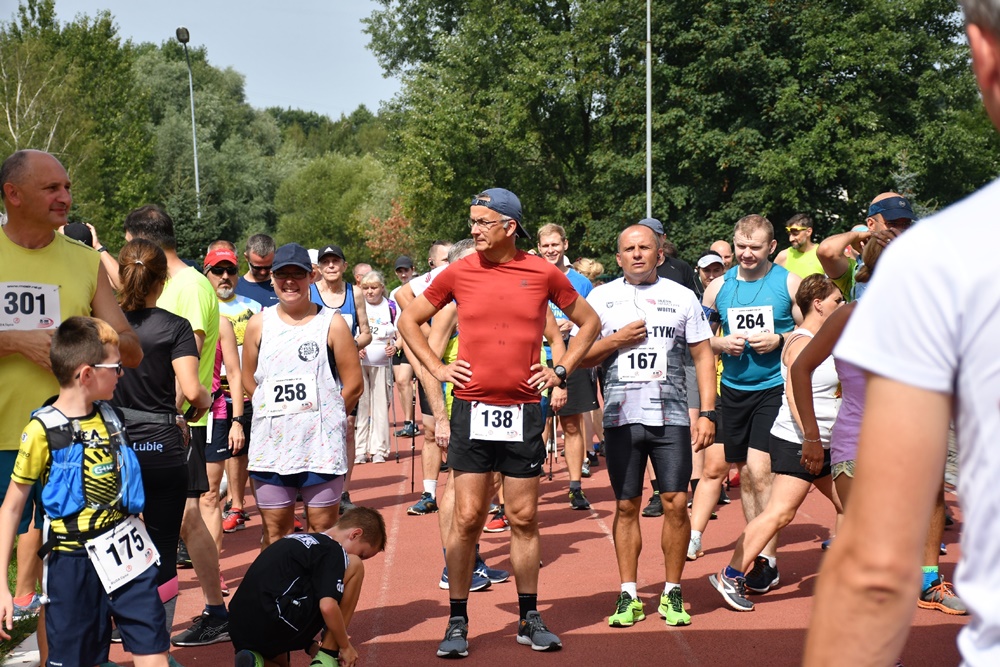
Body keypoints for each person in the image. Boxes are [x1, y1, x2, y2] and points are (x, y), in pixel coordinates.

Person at [806, 3, 997, 661]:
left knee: (924, 501)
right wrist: (867, 232)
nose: (901, 233)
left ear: (983, 53)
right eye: (894, 226)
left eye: (906, 226)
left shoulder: (948, 255)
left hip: (912, 402)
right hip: (872, 408)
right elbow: (828, 254)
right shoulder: (878, 270)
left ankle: (926, 574)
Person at [398, 188, 600, 658]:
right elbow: (409, 320)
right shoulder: (459, 271)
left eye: (483, 222)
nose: (474, 230)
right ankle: (457, 619)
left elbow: (589, 323)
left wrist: (561, 369)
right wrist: (437, 367)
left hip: (523, 410)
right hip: (472, 408)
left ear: (510, 226)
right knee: (468, 516)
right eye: (472, 221)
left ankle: (529, 617)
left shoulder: (543, 272)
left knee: (524, 517)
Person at [0, 149, 142, 661]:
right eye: (51, 188)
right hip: (3, 438)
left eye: (67, 187)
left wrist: (82, 345)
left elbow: (130, 347)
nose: (65, 197)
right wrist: (14, 341)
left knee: (55, 578)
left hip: (69, 444)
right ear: (13, 194)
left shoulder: (84, 261)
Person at [0, 317, 167, 666]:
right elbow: (12, 507)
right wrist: (2, 583)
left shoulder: (113, 417)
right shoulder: (42, 430)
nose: (121, 374)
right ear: (87, 374)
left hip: (126, 554)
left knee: (152, 648)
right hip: (72, 562)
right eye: (115, 367)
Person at [578, 224, 716, 628]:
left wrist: (708, 413)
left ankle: (672, 591)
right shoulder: (600, 298)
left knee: (675, 502)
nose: (637, 254)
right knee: (625, 506)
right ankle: (629, 594)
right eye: (629, 249)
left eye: (644, 247)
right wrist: (616, 340)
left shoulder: (682, 296)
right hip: (620, 418)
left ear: (659, 254)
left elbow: (703, 356)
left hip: (671, 418)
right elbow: (581, 356)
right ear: (618, 257)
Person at [121, 204, 228, 647]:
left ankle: (122, 625)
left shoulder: (106, 326)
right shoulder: (174, 325)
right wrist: (200, 403)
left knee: (116, 540)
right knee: (165, 544)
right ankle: (155, 641)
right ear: (161, 281)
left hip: (115, 444)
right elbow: (192, 388)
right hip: (165, 440)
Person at [710, 274, 845, 611]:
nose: (842, 305)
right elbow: (794, 394)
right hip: (801, 442)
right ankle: (731, 574)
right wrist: (811, 439)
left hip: (824, 442)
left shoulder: (826, 340)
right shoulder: (801, 342)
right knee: (780, 513)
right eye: (837, 301)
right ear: (818, 304)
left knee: (853, 507)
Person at [701, 214, 802, 595]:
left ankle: (767, 561)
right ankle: (758, 554)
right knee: (745, 475)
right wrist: (720, 343)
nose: (746, 254)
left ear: (771, 247)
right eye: (740, 246)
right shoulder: (717, 288)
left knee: (761, 471)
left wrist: (779, 339)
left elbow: (808, 331)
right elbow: (700, 341)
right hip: (733, 390)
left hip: (773, 387)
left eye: (755, 247)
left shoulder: (788, 283)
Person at [242, 243, 364, 547]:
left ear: (311, 276)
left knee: (322, 533)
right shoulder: (258, 324)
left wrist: (328, 418)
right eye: (282, 274)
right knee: (275, 534)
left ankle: (320, 581)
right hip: (271, 449)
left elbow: (354, 384)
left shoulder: (332, 323)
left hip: (320, 450)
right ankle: (278, 581)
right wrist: (274, 411)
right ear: (272, 277)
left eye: (297, 274)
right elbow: (248, 380)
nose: (289, 282)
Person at [230, 507, 387, 667]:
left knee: (279, 657)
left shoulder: (296, 539)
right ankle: (326, 657)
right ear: (355, 534)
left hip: (239, 626)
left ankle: (257, 661)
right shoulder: (333, 550)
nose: (357, 556)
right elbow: (327, 606)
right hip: (275, 619)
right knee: (355, 567)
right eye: (362, 553)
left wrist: (309, 645)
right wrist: (345, 646)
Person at [536, 223, 596, 510]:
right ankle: (530, 478)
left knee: (571, 424)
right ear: (539, 248)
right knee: (536, 424)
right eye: (546, 246)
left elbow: (593, 321)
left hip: (571, 359)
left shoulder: (581, 282)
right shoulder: (532, 277)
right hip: (537, 358)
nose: (551, 250)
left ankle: (575, 487)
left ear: (565, 245)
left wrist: (573, 324)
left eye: (555, 245)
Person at [203, 242, 261, 534]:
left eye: (230, 270)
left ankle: (241, 505)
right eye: (218, 271)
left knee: (244, 450)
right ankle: (228, 506)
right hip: (211, 394)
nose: (225, 276)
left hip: (244, 389)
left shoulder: (253, 307)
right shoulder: (200, 304)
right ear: (207, 273)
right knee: (220, 456)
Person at [311, 244, 372, 513]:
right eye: (326, 262)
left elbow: (366, 332)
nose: (331, 266)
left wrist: (349, 346)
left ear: (345, 266)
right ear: (319, 267)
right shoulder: (310, 292)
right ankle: (313, 485)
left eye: (336, 261)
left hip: (345, 372)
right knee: (315, 426)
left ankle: (344, 491)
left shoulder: (354, 293)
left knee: (347, 427)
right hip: (317, 372)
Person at [816, 193, 914, 302]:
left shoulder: (918, 260)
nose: (900, 230)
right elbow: (826, 250)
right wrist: (856, 235)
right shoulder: (857, 269)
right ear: (871, 224)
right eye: (893, 223)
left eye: (906, 224)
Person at [355, 270, 396, 464]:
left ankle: (379, 448)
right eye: (365, 288)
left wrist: (396, 347)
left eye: (374, 287)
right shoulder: (357, 305)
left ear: (382, 288)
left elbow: (402, 332)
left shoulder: (391, 306)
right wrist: (355, 346)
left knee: (380, 406)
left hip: (382, 363)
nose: (369, 292)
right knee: (361, 406)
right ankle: (359, 449)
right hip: (360, 362)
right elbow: (349, 330)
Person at [390, 255, 420, 439]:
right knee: (401, 384)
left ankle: (413, 421)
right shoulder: (394, 293)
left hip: (410, 339)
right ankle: (409, 422)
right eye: (399, 271)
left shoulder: (419, 289)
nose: (403, 274)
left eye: (406, 270)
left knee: (404, 379)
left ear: (412, 270)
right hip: (396, 339)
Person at [236, 234, 279, 307]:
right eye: (257, 268)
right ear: (246, 257)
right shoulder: (236, 289)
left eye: (268, 267)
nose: (263, 272)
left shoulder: (283, 287)